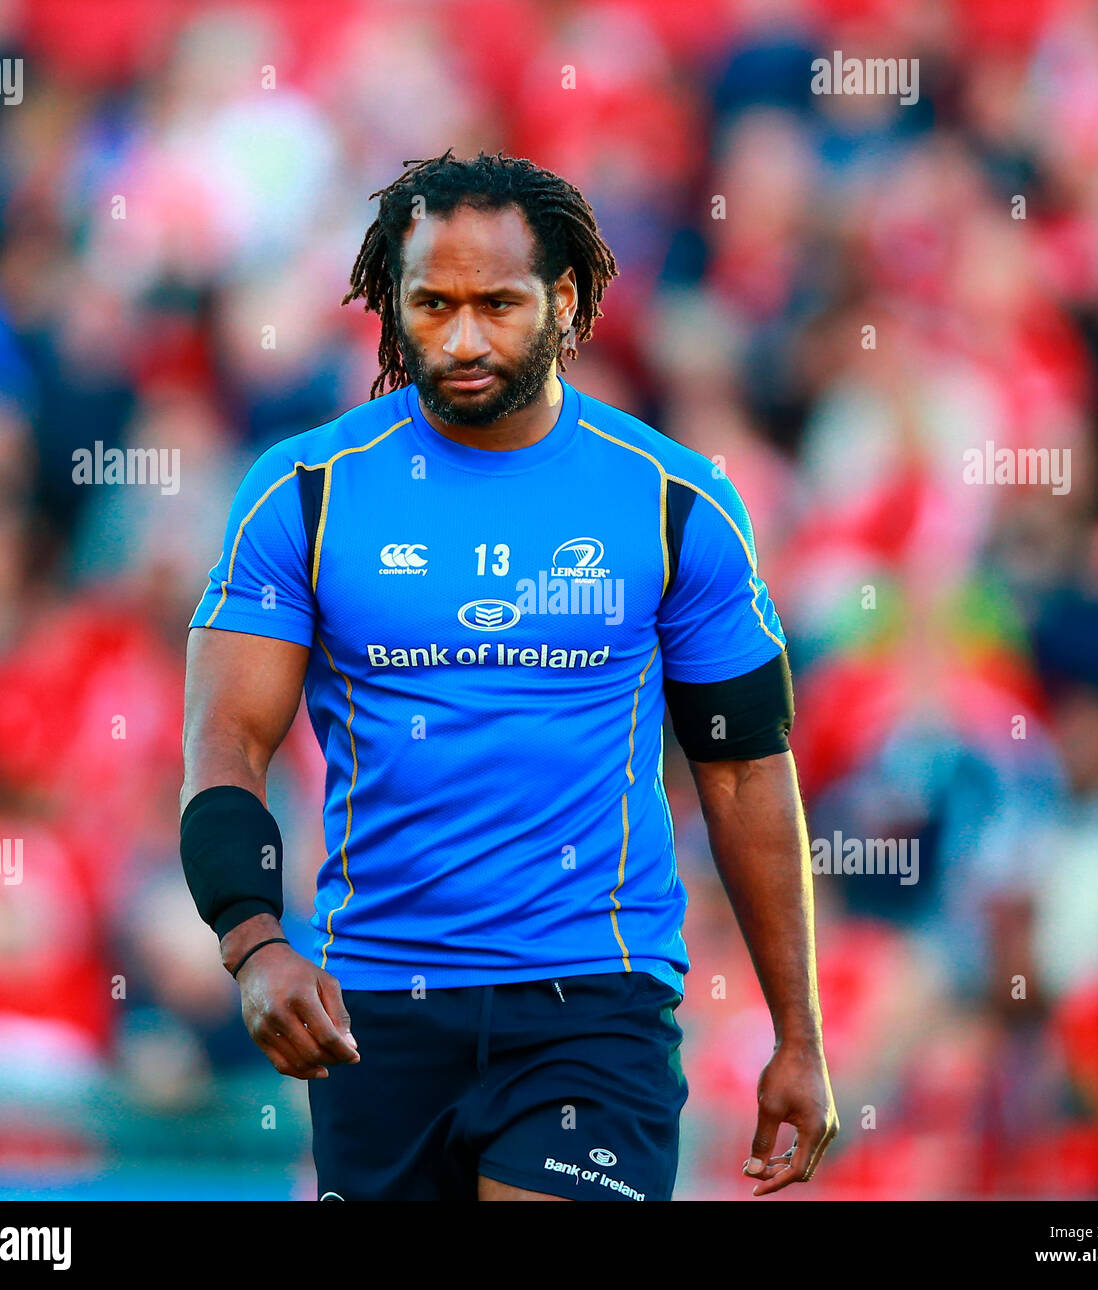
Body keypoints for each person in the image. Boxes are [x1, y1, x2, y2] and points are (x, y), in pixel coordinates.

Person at [179, 149, 838, 1202]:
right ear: (393, 304)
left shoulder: (674, 502)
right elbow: (227, 744)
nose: (465, 338)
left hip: (593, 1004)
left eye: (499, 302)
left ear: (564, 300)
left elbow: (746, 775)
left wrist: (797, 1035)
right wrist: (253, 943)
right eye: (432, 305)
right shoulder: (304, 495)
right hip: (378, 1006)